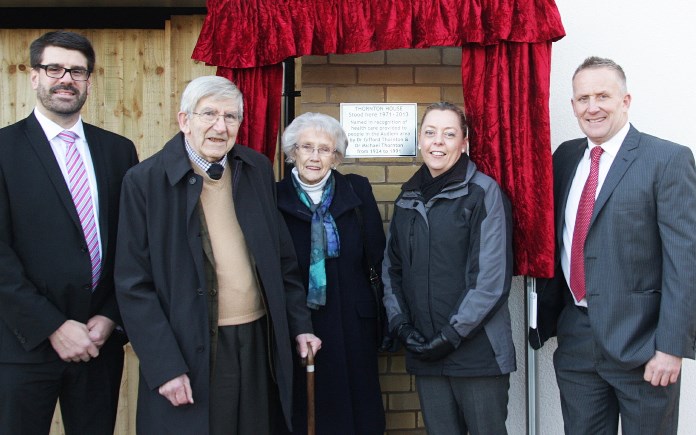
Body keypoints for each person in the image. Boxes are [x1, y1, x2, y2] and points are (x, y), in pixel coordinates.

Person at [114, 75, 321, 435]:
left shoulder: (254, 168)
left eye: (231, 117)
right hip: (191, 346)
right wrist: (164, 366)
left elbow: (282, 260)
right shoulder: (144, 181)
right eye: (208, 114)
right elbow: (133, 284)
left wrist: (300, 325)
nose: (219, 126)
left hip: (258, 337)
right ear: (184, 120)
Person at [530, 56, 696, 434]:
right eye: (583, 98)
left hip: (644, 347)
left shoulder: (667, 160)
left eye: (603, 95)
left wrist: (671, 348)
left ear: (626, 100)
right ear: (572, 105)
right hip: (577, 343)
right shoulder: (565, 157)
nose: (593, 107)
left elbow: (685, 262)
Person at [0, 31, 138, 435]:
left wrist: (111, 316)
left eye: (77, 71)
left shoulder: (118, 151)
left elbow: (132, 243)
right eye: (54, 68)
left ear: (90, 81)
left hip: (99, 341)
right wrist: (52, 326)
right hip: (23, 342)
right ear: (33, 76)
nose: (66, 78)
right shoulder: (3, 150)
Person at [382, 102, 515, 435]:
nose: (437, 141)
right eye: (430, 133)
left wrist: (451, 335)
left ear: (464, 142)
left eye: (449, 133)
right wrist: (401, 326)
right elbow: (391, 270)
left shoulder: (483, 193)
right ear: (420, 140)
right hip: (426, 351)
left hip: (477, 354)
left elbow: (490, 281)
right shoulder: (406, 198)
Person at [276, 112, 386, 435]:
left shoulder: (358, 192)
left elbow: (377, 255)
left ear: (336, 157)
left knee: (357, 414)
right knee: (307, 413)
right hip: (300, 325)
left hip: (353, 326)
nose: (314, 157)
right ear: (291, 152)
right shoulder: (274, 198)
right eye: (305, 147)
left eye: (324, 149)